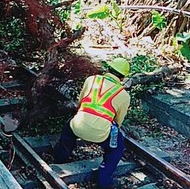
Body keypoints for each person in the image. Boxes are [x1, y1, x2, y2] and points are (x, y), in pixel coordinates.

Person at [53, 57, 131, 189]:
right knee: (117, 148)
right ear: (122, 78)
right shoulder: (124, 95)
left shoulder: (91, 80)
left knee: (68, 128)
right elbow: (118, 121)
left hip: (77, 126)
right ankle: (104, 180)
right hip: (101, 135)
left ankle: (60, 158)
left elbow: (80, 103)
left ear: (108, 69)